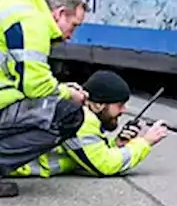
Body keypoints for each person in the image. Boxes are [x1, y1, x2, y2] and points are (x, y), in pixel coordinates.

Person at [0, 0, 89, 197]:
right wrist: (70, 94)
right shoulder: (32, 21)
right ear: (59, 13)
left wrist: (59, 87)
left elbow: (22, 76)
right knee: (66, 114)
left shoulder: (12, 7)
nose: (70, 36)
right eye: (73, 25)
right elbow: (36, 86)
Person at [8, 71, 168, 178]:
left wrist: (117, 144)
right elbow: (104, 165)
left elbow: (87, 151)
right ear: (98, 105)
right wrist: (145, 142)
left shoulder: (74, 111)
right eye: (119, 105)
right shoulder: (80, 119)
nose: (124, 110)